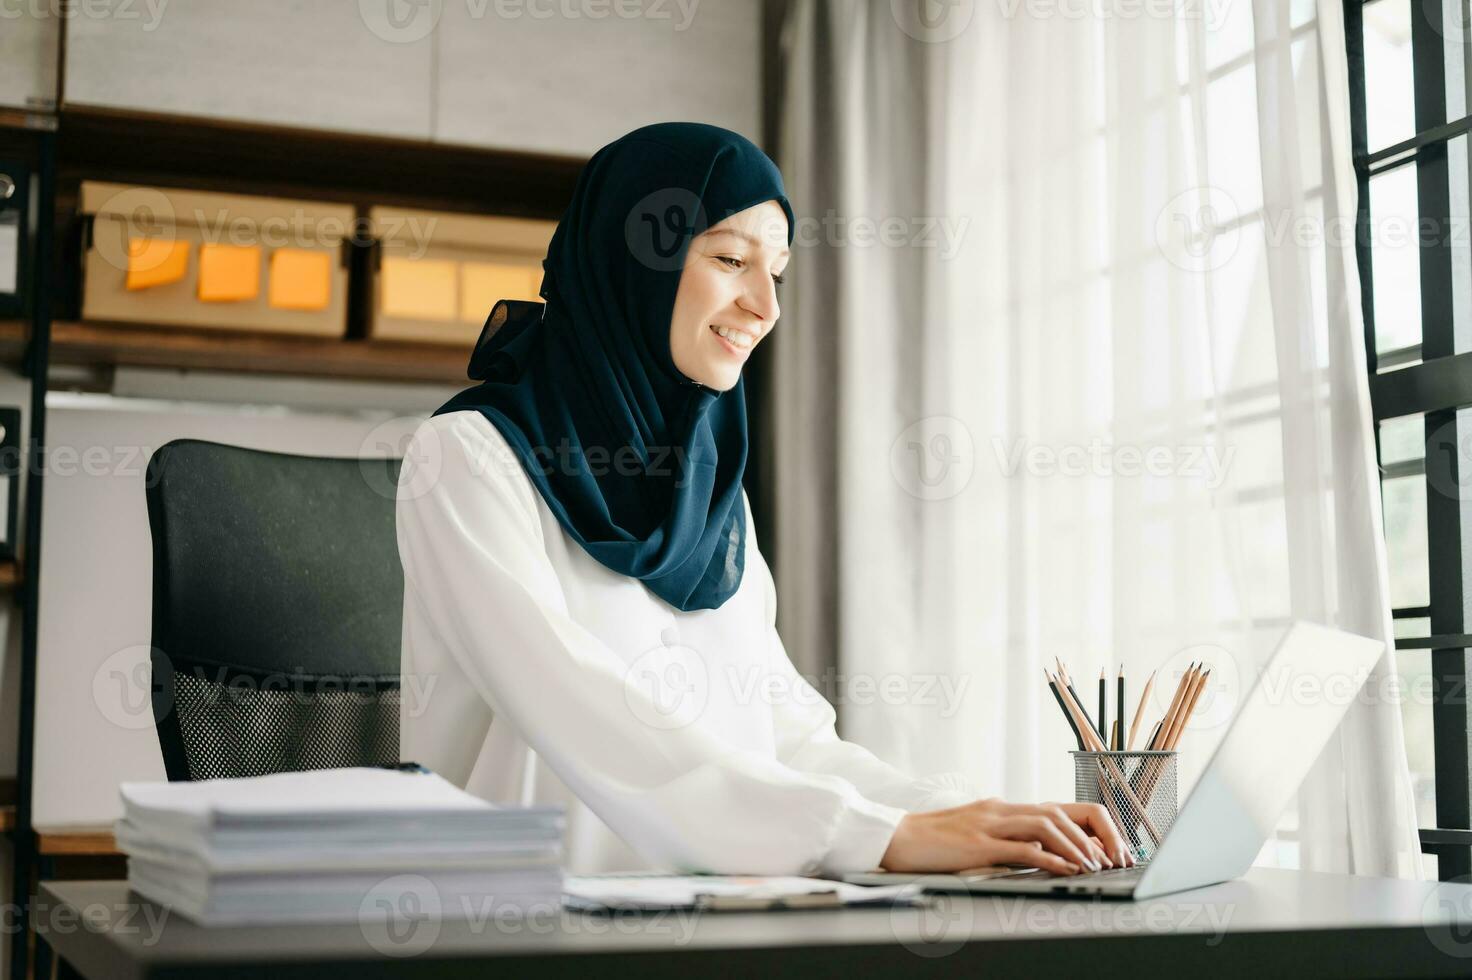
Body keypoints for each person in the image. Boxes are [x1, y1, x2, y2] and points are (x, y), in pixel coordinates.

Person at [395, 121, 1129, 876]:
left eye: (776, 272)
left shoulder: (712, 494)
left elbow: (786, 737)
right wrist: (879, 837)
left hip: (716, 923)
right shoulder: (467, 459)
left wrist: (964, 817)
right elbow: (581, 713)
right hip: (522, 929)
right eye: (730, 259)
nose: (765, 307)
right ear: (631, 262)